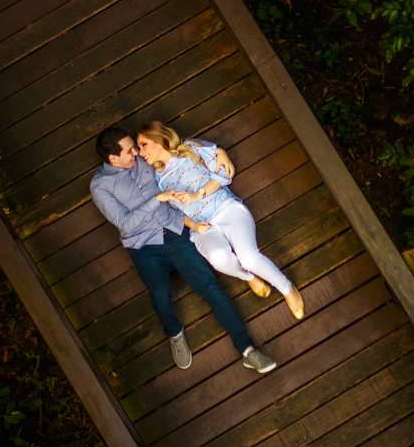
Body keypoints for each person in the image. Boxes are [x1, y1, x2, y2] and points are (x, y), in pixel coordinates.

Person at [90, 127, 277, 373]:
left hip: (177, 231)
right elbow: (125, 223)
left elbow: (175, 144)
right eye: (130, 150)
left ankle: (248, 350)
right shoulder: (101, 185)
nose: (137, 152)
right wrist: (158, 199)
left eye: (136, 146)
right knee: (159, 293)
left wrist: (218, 151)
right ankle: (174, 333)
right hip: (144, 245)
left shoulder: (145, 159)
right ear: (113, 159)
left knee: (209, 286)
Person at [134, 121, 305, 323]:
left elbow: (224, 172)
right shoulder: (156, 180)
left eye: (143, 144)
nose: (140, 151)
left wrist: (198, 194)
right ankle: (249, 277)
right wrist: (195, 226)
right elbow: (171, 215)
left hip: (226, 209)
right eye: (138, 147)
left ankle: (287, 288)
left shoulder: (189, 148)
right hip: (201, 227)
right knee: (218, 259)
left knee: (249, 257)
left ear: (158, 138)